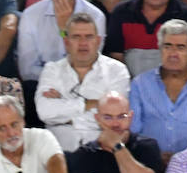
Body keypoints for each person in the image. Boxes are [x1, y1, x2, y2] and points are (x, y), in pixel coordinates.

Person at [127, 19, 187, 160]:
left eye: (180, 47)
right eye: (167, 46)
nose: (173, 53)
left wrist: (181, 160)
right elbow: (133, 132)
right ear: (160, 49)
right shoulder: (140, 84)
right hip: (149, 163)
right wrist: (154, 155)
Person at [35, 13, 129, 152]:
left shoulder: (117, 71)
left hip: (100, 150)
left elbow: (114, 120)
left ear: (98, 41)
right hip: (57, 151)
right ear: (66, 42)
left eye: (89, 37)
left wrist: (63, 114)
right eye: (76, 37)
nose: (83, 43)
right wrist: (90, 104)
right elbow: (44, 112)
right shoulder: (52, 70)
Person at [18, 0, 107, 86]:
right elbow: (27, 70)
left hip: (83, 82)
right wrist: (57, 80)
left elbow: (88, 63)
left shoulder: (96, 17)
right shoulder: (30, 15)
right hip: (42, 84)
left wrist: (65, 30)